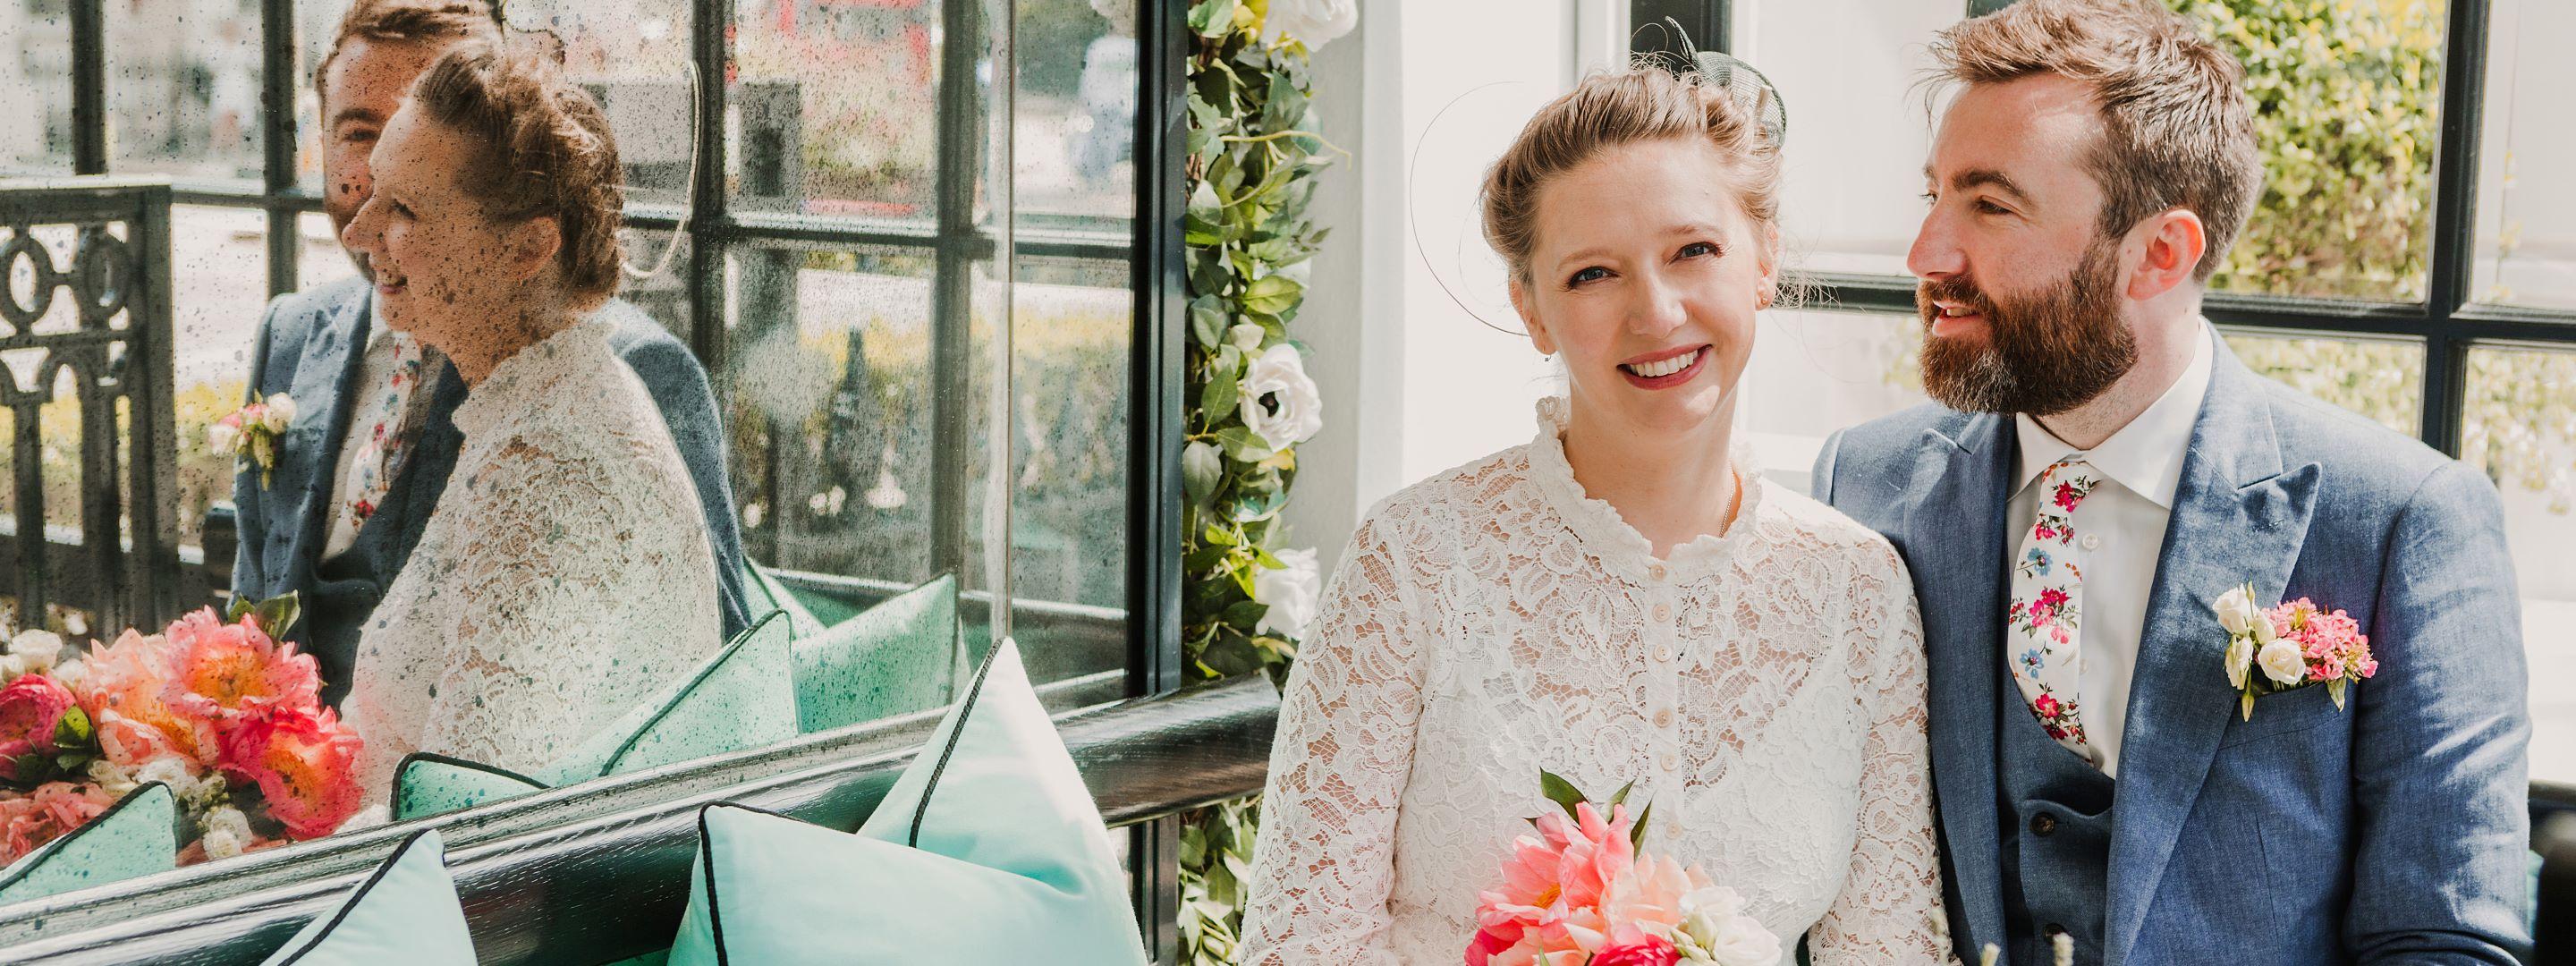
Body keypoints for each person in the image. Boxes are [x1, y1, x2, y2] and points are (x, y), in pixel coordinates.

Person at [1810, 1, 2531, 962]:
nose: (1927, 255)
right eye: (1932, 197)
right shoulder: (1864, 482)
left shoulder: (2401, 518)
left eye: (1988, 205)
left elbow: (2443, 938)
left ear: (2161, 253)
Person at [1241, 61, 1950, 963]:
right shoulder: (1413, 561)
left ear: (1763, 260)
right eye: (1592, 275)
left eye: (1694, 251)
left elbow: (1889, 951)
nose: (1655, 312)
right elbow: (1300, 949)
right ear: (1532, 310)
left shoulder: (1862, 591)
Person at [229, 0, 751, 709]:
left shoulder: (630, 371)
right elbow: (245, 626)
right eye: (360, 133)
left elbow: (720, 684)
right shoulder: (290, 336)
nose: (388, 175)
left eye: (426, 132)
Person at [333, 40, 723, 799]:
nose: (359, 232)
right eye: (371, 192)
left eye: (405, 208)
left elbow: (467, 813)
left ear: (527, 247)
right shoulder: (538, 403)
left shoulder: (553, 462)